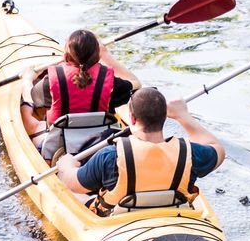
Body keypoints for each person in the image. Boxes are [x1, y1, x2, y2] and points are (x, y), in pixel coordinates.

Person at [54, 87, 225, 211]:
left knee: (68, 191)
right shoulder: (190, 153)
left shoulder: (110, 156)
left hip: (119, 219)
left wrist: (66, 165)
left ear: (132, 119)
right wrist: (183, 116)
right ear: (165, 117)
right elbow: (217, 149)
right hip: (173, 213)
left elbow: (73, 184)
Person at [22, 29, 139, 160]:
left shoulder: (50, 81)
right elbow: (136, 83)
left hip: (61, 148)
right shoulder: (112, 83)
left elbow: (31, 96)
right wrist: (107, 56)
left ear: (66, 56)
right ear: (98, 56)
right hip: (101, 144)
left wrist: (27, 79)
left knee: (29, 115)